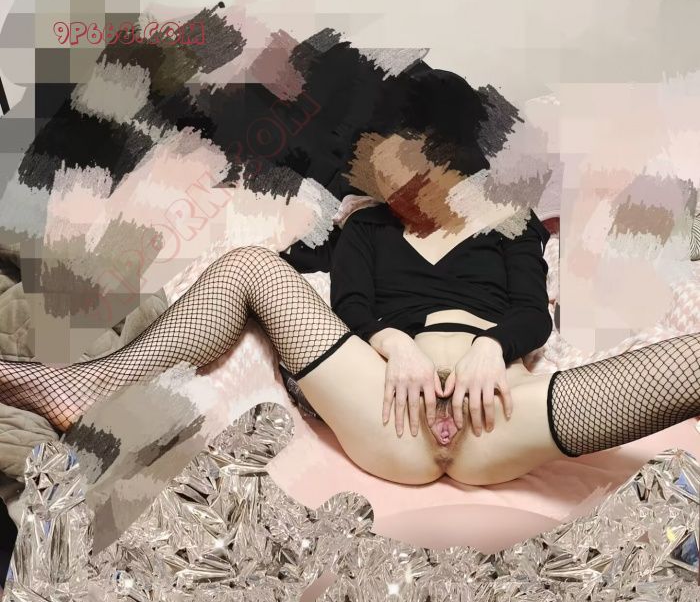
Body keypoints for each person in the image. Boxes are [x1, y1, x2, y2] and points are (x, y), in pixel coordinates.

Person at [0, 131, 697, 487]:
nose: (402, 188)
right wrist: (396, 347)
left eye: (413, 169)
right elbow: (353, 303)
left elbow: (532, 314)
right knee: (247, 267)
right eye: (385, 178)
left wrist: (491, 348)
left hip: (496, 412)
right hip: (385, 401)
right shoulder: (366, 228)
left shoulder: (510, 227)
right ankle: (85, 386)